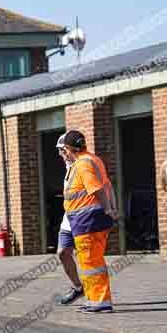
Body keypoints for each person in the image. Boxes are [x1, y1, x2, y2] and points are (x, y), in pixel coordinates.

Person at [61, 130, 118, 313]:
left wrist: (108, 208)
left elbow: (96, 188)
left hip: (88, 220)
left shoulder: (83, 164)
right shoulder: (93, 159)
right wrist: (111, 208)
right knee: (89, 262)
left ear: (69, 148)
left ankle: (100, 302)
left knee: (91, 262)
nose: (65, 153)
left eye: (65, 150)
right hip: (88, 220)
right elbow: (108, 185)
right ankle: (94, 299)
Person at [54, 134, 83, 305]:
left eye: (60, 150)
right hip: (69, 217)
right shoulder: (69, 165)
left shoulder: (82, 165)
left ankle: (97, 294)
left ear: (67, 149)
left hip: (83, 217)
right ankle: (79, 287)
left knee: (86, 257)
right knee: (63, 252)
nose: (59, 154)